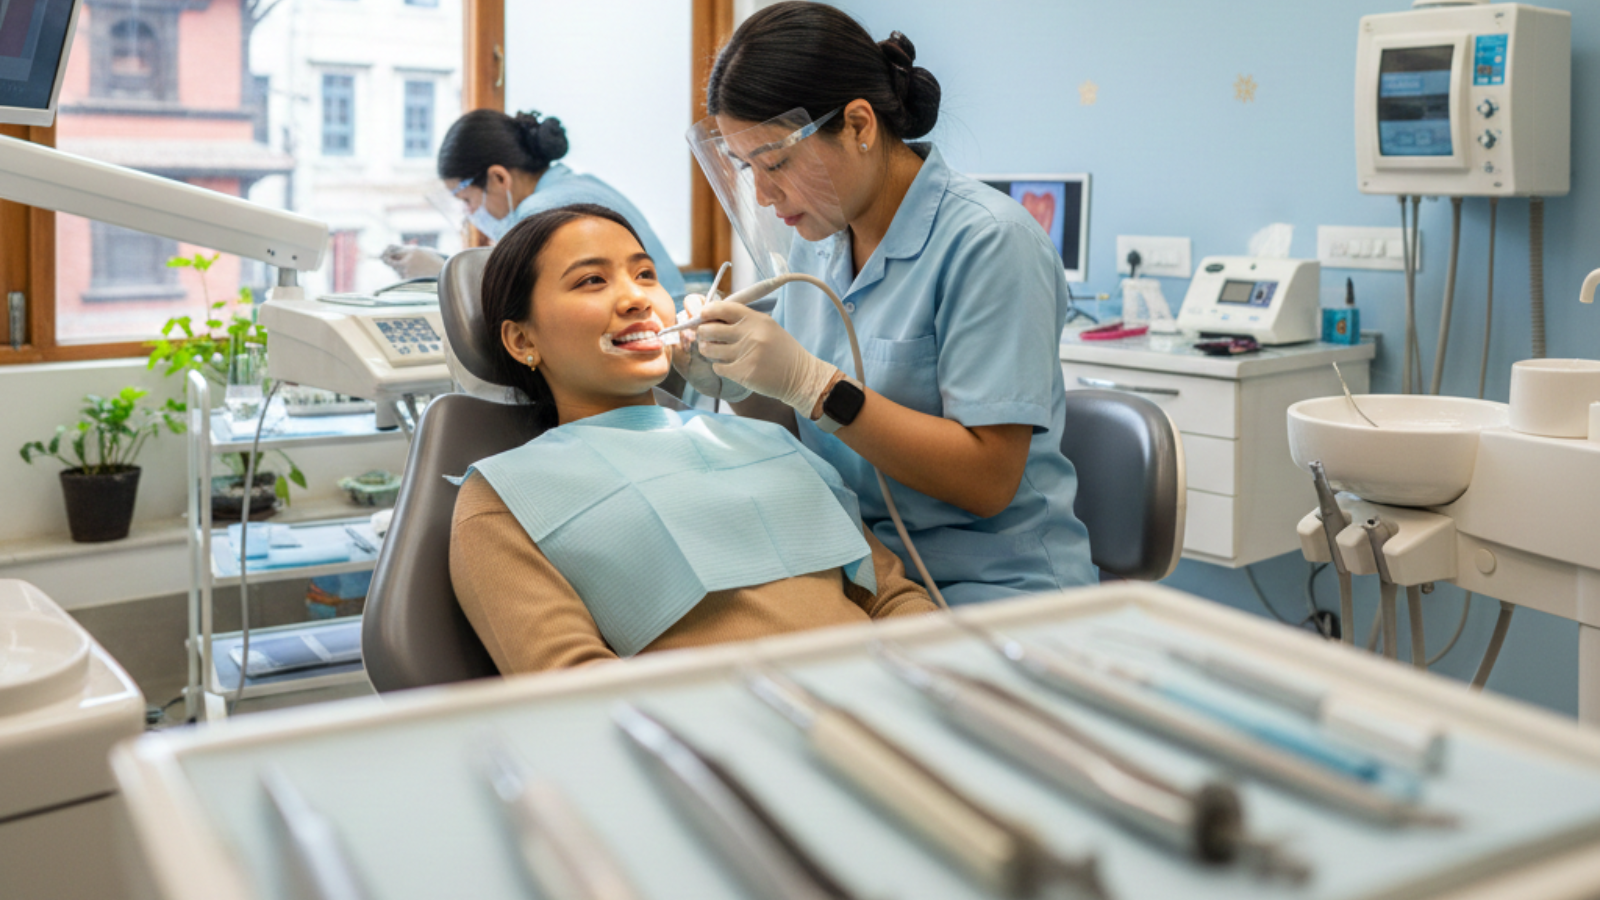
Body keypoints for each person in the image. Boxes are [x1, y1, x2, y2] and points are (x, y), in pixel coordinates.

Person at [677, 1, 1096, 604]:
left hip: (989, 586)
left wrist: (816, 385)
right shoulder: (818, 242)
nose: (765, 195)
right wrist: (735, 372)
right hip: (860, 568)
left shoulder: (990, 243)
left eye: (776, 163)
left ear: (859, 126)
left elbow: (987, 481)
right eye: (747, 170)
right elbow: (806, 428)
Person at [449, 204, 935, 675]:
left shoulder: (767, 442)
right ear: (522, 341)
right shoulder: (506, 499)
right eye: (591, 280)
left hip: (898, 698)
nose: (637, 298)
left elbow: (893, 597)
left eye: (644, 275)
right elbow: (580, 692)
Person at [382, 109, 688, 304]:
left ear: (498, 178)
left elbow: (519, 295)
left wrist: (442, 273)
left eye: (466, 200)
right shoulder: (575, 184)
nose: (469, 214)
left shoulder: (543, 212)